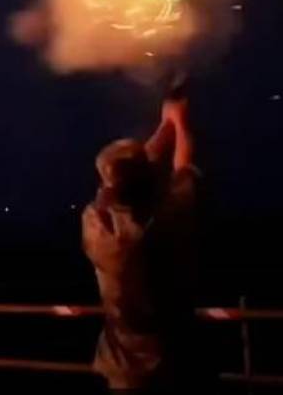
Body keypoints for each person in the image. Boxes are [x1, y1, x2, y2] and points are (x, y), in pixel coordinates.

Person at [82, 94, 202, 393]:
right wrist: (179, 121)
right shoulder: (159, 227)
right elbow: (183, 170)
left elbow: (126, 173)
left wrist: (165, 124)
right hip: (169, 364)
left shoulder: (94, 222)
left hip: (120, 368)